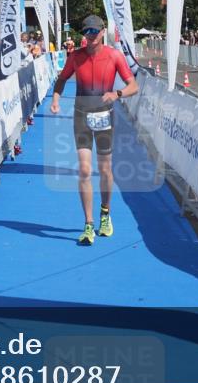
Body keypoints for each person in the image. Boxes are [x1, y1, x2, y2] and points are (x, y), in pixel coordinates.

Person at [50, 15, 138, 246]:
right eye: (86, 31)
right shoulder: (76, 57)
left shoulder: (114, 56)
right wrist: (56, 99)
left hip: (104, 117)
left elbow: (133, 86)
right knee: (85, 171)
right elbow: (61, 80)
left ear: (102, 32)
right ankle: (88, 224)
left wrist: (116, 94)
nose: (89, 36)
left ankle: (105, 213)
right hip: (81, 115)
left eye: (94, 31)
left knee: (106, 170)